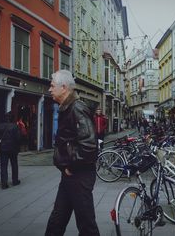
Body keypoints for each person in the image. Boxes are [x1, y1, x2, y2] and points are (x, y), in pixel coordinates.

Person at [45, 70, 100, 236]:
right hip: (70, 175)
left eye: (52, 86)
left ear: (64, 88)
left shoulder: (77, 108)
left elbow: (89, 146)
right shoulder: (67, 108)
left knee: (86, 225)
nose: (49, 89)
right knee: (57, 220)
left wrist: (71, 165)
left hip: (79, 175)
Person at [0, 111, 21, 189]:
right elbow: (18, 138)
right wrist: (18, 147)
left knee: (3, 165)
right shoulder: (15, 126)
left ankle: (4, 183)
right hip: (13, 149)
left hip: (3, 149)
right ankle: (15, 181)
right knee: (14, 165)